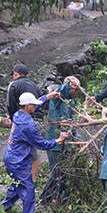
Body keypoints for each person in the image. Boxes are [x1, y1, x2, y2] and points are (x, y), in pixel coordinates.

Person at [2, 92, 69, 213]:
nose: (36, 107)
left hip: (10, 158)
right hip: (18, 162)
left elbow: (35, 106)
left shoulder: (17, 114)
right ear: (27, 105)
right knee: (28, 190)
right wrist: (59, 140)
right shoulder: (28, 126)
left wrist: (48, 96)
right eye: (34, 105)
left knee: (16, 188)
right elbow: (42, 144)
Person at [39, 76, 80, 205]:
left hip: (66, 144)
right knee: (57, 172)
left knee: (63, 172)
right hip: (54, 142)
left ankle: (62, 198)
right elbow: (61, 91)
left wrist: (76, 139)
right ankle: (45, 198)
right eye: (74, 90)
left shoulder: (71, 103)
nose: (76, 93)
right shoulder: (56, 99)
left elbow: (72, 123)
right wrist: (69, 84)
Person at [6, 63, 44, 182]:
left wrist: (13, 120)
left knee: (18, 149)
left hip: (24, 123)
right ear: (27, 75)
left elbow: (10, 105)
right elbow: (39, 104)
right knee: (34, 152)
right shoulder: (35, 86)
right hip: (38, 122)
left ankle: (19, 179)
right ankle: (33, 178)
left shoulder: (13, 85)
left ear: (16, 74)